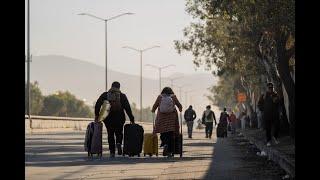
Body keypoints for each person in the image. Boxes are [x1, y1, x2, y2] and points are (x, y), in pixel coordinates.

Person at [94, 81, 135, 158]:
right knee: (119, 132)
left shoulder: (105, 95)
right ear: (119, 87)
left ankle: (112, 152)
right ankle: (119, 143)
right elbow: (127, 108)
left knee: (110, 134)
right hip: (119, 117)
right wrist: (131, 118)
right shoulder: (122, 96)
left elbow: (98, 104)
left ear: (111, 86)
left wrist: (97, 115)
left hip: (108, 118)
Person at [152, 87, 182, 157]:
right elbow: (179, 105)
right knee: (171, 133)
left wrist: (153, 110)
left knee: (163, 132)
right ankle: (170, 151)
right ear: (171, 91)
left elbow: (154, 106)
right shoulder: (173, 97)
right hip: (171, 118)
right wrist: (180, 109)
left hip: (162, 118)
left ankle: (165, 144)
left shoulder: (160, 97)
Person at [258, 82, 281, 147]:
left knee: (277, 126)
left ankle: (275, 137)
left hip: (275, 114)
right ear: (267, 88)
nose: (271, 89)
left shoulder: (275, 94)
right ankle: (268, 141)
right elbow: (259, 104)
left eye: (271, 87)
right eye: (269, 87)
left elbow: (278, 103)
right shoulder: (263, 95)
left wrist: (276, 102)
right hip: (267, 114)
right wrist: (263, 110)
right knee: (268, 128)